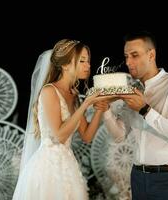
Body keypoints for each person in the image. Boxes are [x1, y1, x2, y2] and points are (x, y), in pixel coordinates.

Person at [13, 39, 112, 200]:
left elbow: (86, 136)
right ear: (65, 65)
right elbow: (59, 135)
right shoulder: (49, 91)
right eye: (82, 61)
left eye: (88, 61)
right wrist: (86, 103)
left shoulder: (73, 94)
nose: (88, 65)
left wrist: (100, 108)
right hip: (47, 169)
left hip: (68, 165)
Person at [103, 31, 168, 199]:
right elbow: (119, 135)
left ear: (151, 55)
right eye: (126, 56)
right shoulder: (133, 90)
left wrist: (145, 109)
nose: (128, 62)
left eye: (134, 55)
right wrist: (105, 109)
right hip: (138, 177)